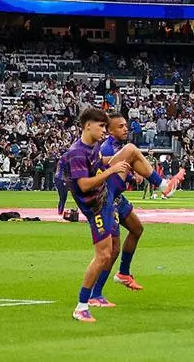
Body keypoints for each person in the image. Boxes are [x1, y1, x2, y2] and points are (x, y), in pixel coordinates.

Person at [97, 113, 181, 298]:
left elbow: (124, 169)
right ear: (110, 130)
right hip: (107, 198)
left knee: (136, 229)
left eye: (126, 125)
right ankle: (95, 294)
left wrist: (132, 174)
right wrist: (132, 172)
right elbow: (112, 169)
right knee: (112, 249)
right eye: (120, 126)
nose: (126, 128)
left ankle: (123, 273)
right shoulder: (108, 147)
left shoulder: (118, 147)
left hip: (117, 196)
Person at [62, 107, 132, 323]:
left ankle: (93, 298)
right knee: (102, 255)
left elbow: (99, 161)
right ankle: (82, 305)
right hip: (95, 207)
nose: (104, 130)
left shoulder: (92, 148)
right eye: (101, 126)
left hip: (103, 202)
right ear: (87, 125)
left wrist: (110, 161)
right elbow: (83, 185)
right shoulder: (76, 153)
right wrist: (112, 170)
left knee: (111, 250)